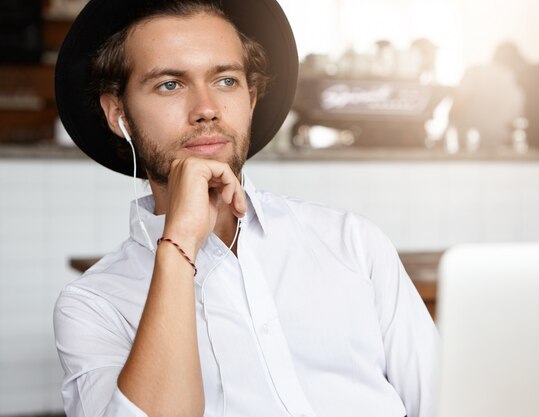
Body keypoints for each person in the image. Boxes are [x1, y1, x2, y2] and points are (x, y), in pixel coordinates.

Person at [53, 1, 440, 417]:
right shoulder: (93, 306)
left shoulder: (353, 243)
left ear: (251, 98)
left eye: (225, 80)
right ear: (118, 114)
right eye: (170, 84)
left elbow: (443, 403)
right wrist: (179, 242)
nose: (206, 109)